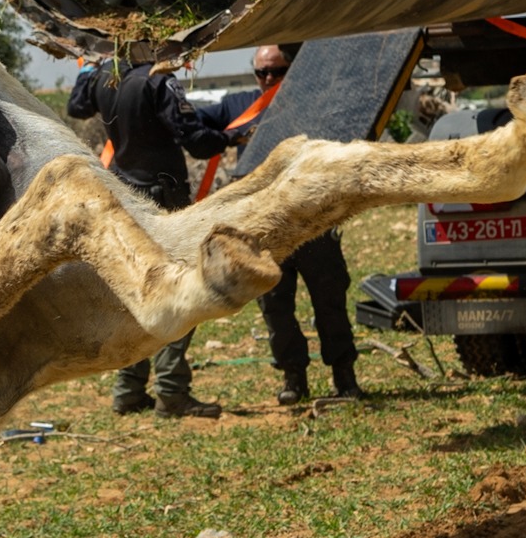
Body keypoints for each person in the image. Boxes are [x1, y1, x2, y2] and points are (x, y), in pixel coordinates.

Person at [66, 53, 233, 417]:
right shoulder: (157, 81)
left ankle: (128, 389)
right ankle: (171, 390)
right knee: (183, 288)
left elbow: (75, 107)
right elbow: (196, 141)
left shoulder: (102, 81)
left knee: (138, 290)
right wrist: (230, 136)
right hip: (165, 200)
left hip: (128, 199)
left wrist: (89, 71)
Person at [195, 45, 361, 405]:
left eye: (277, 72)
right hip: (265, 232)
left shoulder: (314, 104)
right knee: (275, 308)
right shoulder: (238, 105)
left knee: (330, 303)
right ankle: (293, 379)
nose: (269, 79)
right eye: (262, 73)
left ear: (293, 71)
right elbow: (192, 123)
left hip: (313, 226)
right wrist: (227, 139)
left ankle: (344, 377)